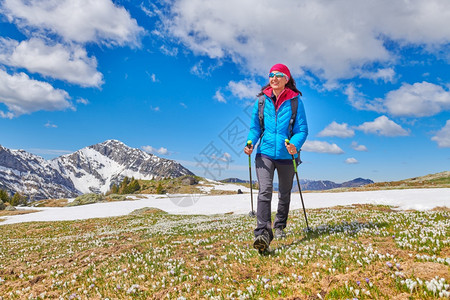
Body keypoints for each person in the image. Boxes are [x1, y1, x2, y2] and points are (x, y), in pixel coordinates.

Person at [244, 63, 308, 252]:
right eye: (271, 75)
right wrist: (250, 143)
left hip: (287, 155)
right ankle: (263, 233)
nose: (274, 78)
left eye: (278, 75)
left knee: (284, 193)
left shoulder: (296, 101)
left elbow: (302, 129)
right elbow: (255, 127)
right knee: (265, 190)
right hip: (264, 153)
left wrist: (294, 144)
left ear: (286, 79)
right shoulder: (262, 101)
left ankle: (279, 225)